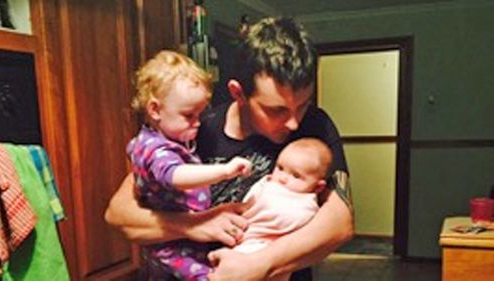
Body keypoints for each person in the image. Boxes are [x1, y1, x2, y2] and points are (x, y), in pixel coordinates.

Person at [105, 17, 354, 280]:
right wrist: (195, 225)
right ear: (238, 93)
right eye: (276, 109)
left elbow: (340, 224)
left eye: (303, 104)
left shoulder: (315, 124)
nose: (294, 122)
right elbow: (119, 214)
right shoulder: (193, 129)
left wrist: (260, 265)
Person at [126, 50, 252, 280]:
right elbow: (173, 175)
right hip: (171, 247)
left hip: (186, 241)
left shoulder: (170, 138)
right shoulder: (154, 148)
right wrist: (224, 171)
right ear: (155, 110)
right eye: (188, 115)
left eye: (200, 114)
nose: (197, 123)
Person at [220, 138, 332, 281]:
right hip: (245, 241)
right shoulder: (266, 183)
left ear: (318, 187)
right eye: (280, 167)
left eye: (296, 175)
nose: (283, 178)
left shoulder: (307, 203)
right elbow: (247, 205)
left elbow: (303, 225)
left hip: (276, 253)